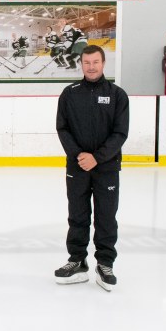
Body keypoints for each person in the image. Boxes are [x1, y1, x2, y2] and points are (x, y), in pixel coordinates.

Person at [55, 45, 129, 291]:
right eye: (86, 62)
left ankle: (105, 263)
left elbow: (120, 133)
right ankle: (77, 260)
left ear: (103, 63)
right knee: (77, 215)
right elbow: (62, 128)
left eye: (95, 62)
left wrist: (97, 158)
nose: (91, 66)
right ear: (81, 64)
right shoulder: (69, 93)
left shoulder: (118, 95)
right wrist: (79, 156)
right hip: (77, 166)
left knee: (106, 216)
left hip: (106, 167)